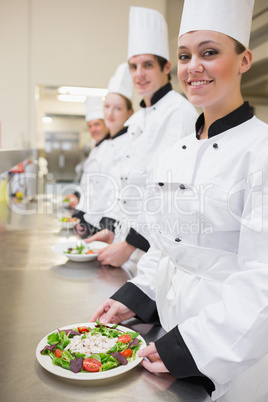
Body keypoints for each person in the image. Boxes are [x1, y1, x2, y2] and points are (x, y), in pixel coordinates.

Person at [90, 0, 268, 400]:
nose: (194, 67)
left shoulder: (262, 150)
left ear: (244, 60)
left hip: (230, 353)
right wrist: (136, 298)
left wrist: (194, 348)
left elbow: (264, 277)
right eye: (186, 55)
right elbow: (166, 245)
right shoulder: (176, 152)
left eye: (210, 53)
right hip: (167, 339)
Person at [85, 6, 197, 273]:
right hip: (129, 248)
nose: (139, 74)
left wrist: (129, 244)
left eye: (147, 65)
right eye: (134, 66)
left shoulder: (177, 112)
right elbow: (129, 190)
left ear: (166, 67)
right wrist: (114, 233)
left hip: (154, 253)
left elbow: (166, 194)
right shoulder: (140, 119)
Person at [74, 63, 134, 237]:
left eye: (118, 108)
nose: (110, 113)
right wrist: (82, 216)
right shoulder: (105, 145)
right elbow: (91, 186)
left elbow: (119, 191)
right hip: (97, 223)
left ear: (129, 112)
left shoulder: (131, 144)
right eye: (107, 107)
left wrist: (105, 224)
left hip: (115, 227)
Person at [64, 97, 109, 210]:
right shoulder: (95, 149)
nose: (93, 129)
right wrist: (76, 195)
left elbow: (103, 190)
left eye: (97, 124)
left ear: (106, 124)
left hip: (100, 212)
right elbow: (88, 182)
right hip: (88, 209)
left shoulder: (111, 148)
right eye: (90, 126)